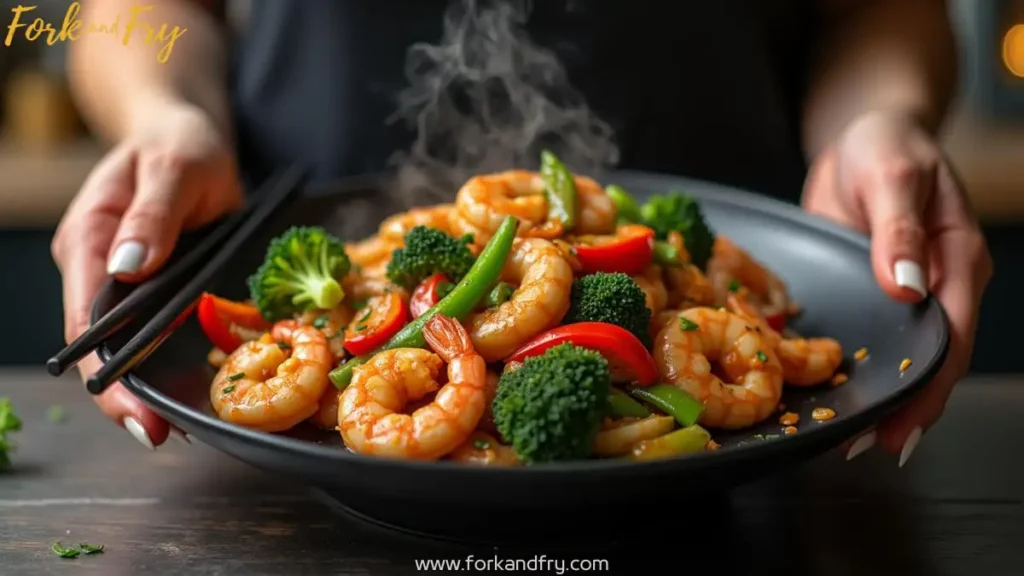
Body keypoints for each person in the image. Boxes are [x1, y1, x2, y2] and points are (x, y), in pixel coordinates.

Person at [53, 0, 992, 466]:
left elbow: (889, 11)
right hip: (302, 202)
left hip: (755, 491)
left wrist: (888, 114)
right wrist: (162, 116)